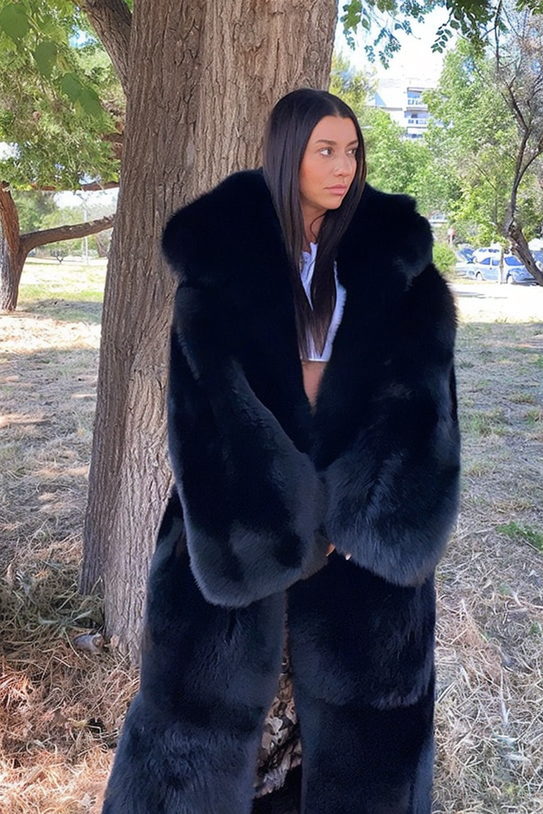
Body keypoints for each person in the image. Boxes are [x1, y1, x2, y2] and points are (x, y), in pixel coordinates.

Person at [101, 88, 460, 814]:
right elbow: (198, 422)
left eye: (352, 151)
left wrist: (365, 523)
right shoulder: (218, 273)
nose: (344, 166)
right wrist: (273, 527)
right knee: (202, 754)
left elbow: (429, 416)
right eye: (325, 150)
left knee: (358, 760)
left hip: (361, 568)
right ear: (286, 154)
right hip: (240, 540)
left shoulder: (402, 275)